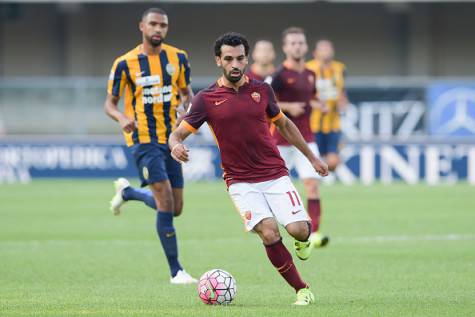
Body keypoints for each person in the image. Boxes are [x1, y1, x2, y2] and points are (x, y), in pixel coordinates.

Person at [168, 32, 329, 305]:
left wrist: (312, 157)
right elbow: (178, 133)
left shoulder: (262, 91)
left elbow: (284, 124)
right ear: (219, 60)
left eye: (240, 58)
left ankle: (302, 239)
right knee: (268, 231)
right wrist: (174, 145)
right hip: (240, 181)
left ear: (246, 59)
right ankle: (302, 289)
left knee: (300, 230)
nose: (235, 64)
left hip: (274, 173)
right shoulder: (206, 99)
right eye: (228, 58)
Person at [104, 7, 196, 284]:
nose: (158, 29)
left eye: (163, 25)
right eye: (153, 24)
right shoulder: (125, 63)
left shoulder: (178, 57)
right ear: (142, 26)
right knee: (165, 200)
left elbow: (187, 93)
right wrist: (122, 118)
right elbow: (109, 103)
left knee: (175, 208)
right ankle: (176, 271)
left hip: (172, 138)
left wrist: (186, 109)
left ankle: (129, 193)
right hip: (143, 139)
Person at [270, 27, 329, 248]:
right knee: (275, 188)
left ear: (306, 46)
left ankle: (313, 234)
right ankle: (275, 232)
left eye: (300, 43)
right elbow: (265, 104)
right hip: (280, 139)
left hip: (306, 139)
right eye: (293, 43)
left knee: (312, 186)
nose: (297, 46)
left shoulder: (311, 74)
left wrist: (317, 104)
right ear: (285, 47)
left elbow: (310, 98)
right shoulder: (278, 76)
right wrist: (287, 107)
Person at [306, 39, 349, 172]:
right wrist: (315, 104)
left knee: (333, 163)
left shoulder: (340, 68)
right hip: (312, 124)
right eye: (323, 49)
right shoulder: (308, 68)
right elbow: (302, 95)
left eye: (328, 48)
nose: (326, 52)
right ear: (315, 52)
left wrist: (344, 102)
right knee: (312, 162)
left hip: (333, 123)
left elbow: (342, 92)